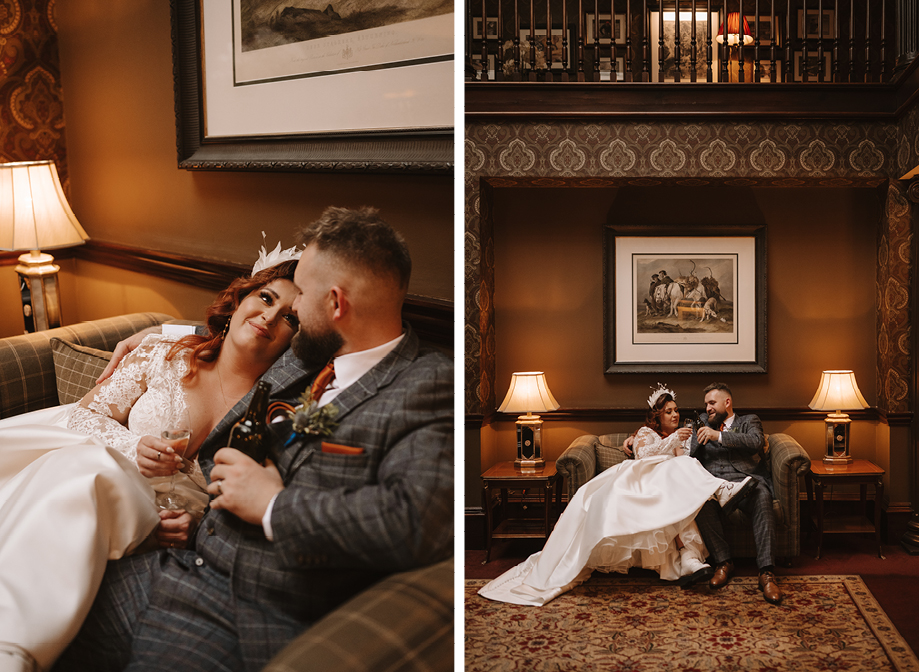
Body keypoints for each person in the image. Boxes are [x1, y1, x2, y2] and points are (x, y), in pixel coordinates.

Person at [54, 206, 454, 671]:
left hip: (237, 607)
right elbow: (237, 336)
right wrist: (161, 334)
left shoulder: (426, 384)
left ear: (336, 304)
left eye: (300, 295)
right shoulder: (311, 357)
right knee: (35, 590)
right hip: (166, 563)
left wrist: (272, 505)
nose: (291, 311)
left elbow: (416, 522)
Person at [0, 256, 301, 672]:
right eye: (265, 298)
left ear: (295, 340)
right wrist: (133, 445)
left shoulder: (275, 413)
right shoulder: (166, 353)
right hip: (94, 474)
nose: (269, 316)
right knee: (91, 468)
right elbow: (85, 415)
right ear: (238, 301)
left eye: (289, 317)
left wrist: (193, 526)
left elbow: (252, 498)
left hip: (157, 523)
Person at [477, 385, 755, 607]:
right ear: (657, 415)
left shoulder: (682, 436)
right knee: (679, 469)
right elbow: (644, 455)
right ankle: (720, 492)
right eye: (668, 411)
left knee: (683, 472)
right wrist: (667, 441)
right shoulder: (645, 433)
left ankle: (689, 557)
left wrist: (681, 444)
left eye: (676, 410)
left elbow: (683, 460)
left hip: (666, 484)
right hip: (638, 481)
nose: (674, 415)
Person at [690, 382, 783, 605]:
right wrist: (698, 438)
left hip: (747, 483)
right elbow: (691, 455)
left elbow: (756, 442)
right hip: (715, 485)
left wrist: (718, 436)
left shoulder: (748, 421)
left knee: (762, 495)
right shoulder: (701, 421)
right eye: (706, 404)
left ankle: (766, 573)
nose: (708, 408)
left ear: (727, 402)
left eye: (712, 403)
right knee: (699, 501)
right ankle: (723, 562)